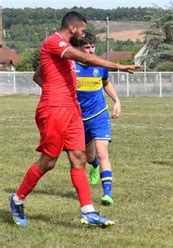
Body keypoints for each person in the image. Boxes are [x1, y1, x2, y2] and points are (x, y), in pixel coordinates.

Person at [9, 11, 138, 227]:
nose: (84, 34)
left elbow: (41, 75)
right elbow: (84, 58)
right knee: (49, 161)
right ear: (73, 28)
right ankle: (17, 199)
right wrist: (118, 66)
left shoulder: (65, 50)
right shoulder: (54, 42)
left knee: (79, 158)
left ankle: (88, 211)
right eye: (83, 30)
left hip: (72, 110)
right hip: (54, 110)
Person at [74, 32, 119, 206]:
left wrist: (117, 101)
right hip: (79, 117)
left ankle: (107, 193)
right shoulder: (71, 66)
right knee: (88, 155)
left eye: (93, 47)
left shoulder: (100, 65)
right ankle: (93, 165)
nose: (91, 51)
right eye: (87, 47)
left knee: (102, 153)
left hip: (99, 114)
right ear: (79, 48)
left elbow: (106, 82)